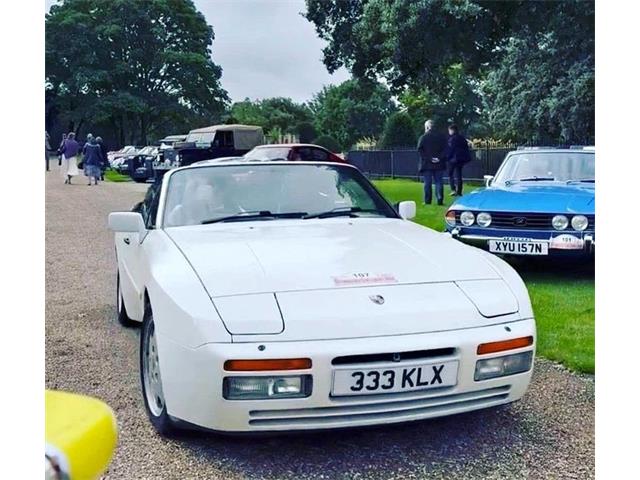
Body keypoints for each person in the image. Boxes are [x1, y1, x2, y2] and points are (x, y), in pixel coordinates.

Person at [417, 119, 448, 205]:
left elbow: (420, 149)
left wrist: (429, 158)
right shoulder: (442, 137)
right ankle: (440, 199)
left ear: (427, 127)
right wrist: (439, 158)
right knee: (439, 182)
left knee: (427, 183)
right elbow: (446, 149)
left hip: (427, 164)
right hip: (439, 163)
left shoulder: (423, 137)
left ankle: (427, 201)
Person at [446, 124, 472, 196]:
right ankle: (459, 191)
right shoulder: (462, 138)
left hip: (453, 159)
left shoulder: (452, 139)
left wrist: (447, 157)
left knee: (450, 174)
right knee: (459, 174)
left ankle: (453, 189)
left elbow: (451, 149)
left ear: (452, 130)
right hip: (461, 159)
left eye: (449, 130)